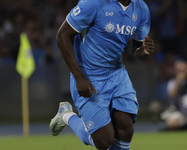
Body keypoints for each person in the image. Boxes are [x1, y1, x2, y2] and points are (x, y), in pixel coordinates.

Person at [50, 0, 155, 149]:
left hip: (117, 74)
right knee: (103, 141)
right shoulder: (93, 3)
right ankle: (66, 116)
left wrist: (143, 51)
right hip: (89, 76)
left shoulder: (141, 8)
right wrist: (79, 77)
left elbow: (137, 50)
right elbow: (62, 36)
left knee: (126, 128)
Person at [160, 60, 187, 130]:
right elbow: (172, 94)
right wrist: (178, 81)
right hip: (179, 111)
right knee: (171, 123)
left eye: (184, 70)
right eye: (180, 71)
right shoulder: (172, 82)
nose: (183, 73)